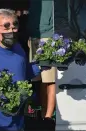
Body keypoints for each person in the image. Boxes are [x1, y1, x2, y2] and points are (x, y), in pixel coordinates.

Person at [27, 0, 56, 129]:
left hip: (49, 37)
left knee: (50, 80)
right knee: (38, 78)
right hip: (34, 37)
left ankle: (48, 117)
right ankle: (42, 114)